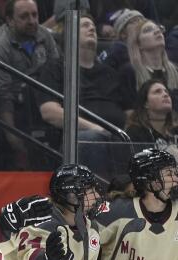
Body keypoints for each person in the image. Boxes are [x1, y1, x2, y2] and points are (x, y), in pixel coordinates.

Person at [0, 0, 60, 169]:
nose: (32, 21)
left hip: (28, 95)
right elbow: (5, 94)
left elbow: (56, 70)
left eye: (35, 15)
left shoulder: (44, 36)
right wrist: (12, 136)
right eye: (24, 16)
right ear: (9, 20)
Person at [2, 164, 104, 260]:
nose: (98, 196)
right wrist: (47, 259)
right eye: (90, 191)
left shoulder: (91, 230)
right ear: (72, 195)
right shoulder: (41, 221)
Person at [36, 14, 130, 172]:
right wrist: (95, 128)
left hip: (116, 140)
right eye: (85, 25)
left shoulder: (111, 73)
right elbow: (49, 112)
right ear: (69, 35)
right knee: (90, 140)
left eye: (93, 26)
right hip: (77, 141)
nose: (92, 28)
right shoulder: (56, 68)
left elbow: (129, 113)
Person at [96, 148, 178, 260]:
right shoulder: (115, 212)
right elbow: (84, 248)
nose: (175, 180)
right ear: (148, 180)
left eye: (175, 173)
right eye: (169, 174)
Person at [119, 19, 178, 109]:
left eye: (159, 28)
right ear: (139, 45)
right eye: (148, 30)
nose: (157, 31)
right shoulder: (129, 72)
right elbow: (129, 110)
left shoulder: (175, 71)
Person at [125, 79, 178, 156]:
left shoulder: (175, 132)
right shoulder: (135, 133)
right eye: (157, 92)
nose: (165, 94)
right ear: (146, 103)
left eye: (166, 92)